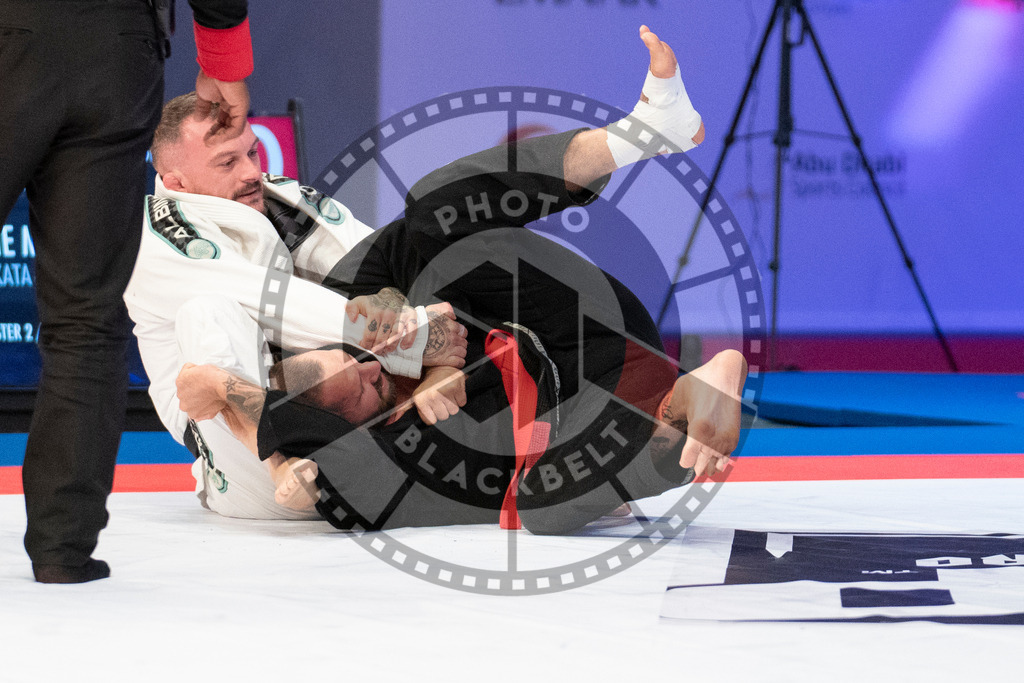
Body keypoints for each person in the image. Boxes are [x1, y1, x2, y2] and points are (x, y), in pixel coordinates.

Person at [174, 27, 748, 535]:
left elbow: (414, 246)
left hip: (564, 318)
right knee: (544, 507)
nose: (372, 367)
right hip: (597, 393)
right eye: (364, 389)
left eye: (352, 358)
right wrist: (236, 403)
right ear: (346, 428)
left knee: (430, 213)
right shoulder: (379, 468)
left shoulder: (359, 301)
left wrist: (439, 358)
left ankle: (642, 132)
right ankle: (699, 391)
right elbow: (286, 441)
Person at [0, 0, 252, 583]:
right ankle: (63, 549)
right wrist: (223, 55)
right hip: (114, 49)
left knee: (88, 315)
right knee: (86, 314)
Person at [126, 95, 469, 521]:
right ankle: (272, 447)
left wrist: (437, 358)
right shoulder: (152, 232)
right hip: (249, 472)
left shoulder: (283, 199)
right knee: (208, 311)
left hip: (351, 421)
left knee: (411, 237)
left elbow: (377, 264)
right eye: (227, 163)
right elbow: (275, 304)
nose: (253, 172)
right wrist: (412, 338)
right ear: (176, 183)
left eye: (252, 151)